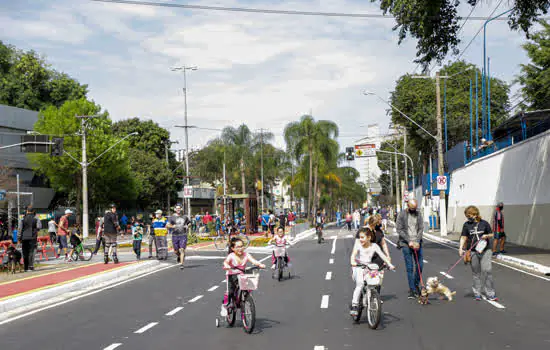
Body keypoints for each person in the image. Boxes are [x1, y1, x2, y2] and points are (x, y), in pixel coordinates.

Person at [349, 228, 395, 316]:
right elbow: (353, 255)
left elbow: (383, 256)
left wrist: (389, 264)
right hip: (358, 267)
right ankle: (354, 305)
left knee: (373, 283)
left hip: (368, 267)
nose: (360, 239)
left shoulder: (374, 246)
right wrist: (353, 262)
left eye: (362, 237)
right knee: (360, 284)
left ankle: (369, 297)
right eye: (360, 237)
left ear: (369, 237)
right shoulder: (358, 244)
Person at [459, 205, 498, 301]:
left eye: (469, 215)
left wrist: (486, 236)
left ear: (475, 214)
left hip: (485, 250)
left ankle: (490, 293)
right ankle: (477, 293)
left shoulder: (484, 223)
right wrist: (460, 248)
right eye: (467, 216)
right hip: (472, 251)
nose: (468, 218)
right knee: (476, 273)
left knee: (487, 271)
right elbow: (464, 237)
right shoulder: (466, 225)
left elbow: (492, 234)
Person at [222, 237, 266, 310]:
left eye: (242, 246)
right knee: (230, 292)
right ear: (233, 248)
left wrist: (260, 264)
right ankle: (225, 306)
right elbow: (225, 262)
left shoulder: (246, 255)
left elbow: (253, 261)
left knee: (248, 286)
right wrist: (227, 266)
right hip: (231, 276)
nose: (240, 248)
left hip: (242, 275)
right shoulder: (231, 256)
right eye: (238, 247)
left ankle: (244, 300)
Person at [396, 199, 424, 299]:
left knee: (420, 265)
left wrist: (417, 241)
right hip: (405, 244)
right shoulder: (401, 214)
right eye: (412, 208)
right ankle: (412, 290)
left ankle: (416, 284)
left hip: (417, 243)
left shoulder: (418, 214)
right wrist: (409, 241)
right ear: (408, 206)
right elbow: (399, 229)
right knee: (410, 267)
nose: (414, 210)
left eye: (415, 208)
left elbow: (421, 228)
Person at [166, 203, 190, 269]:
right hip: (175, 236)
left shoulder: (185, 217)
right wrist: (172, 226)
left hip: (183, 235)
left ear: (181, 209)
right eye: (177, 208)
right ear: (175, 209)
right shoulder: (172, 217)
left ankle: (181, 264)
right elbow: (167, 225)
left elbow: (189, 223)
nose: (178, 209)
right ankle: (179, 256)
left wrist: (188, 226)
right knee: (176, 251)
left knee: (182, 250)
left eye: (179, 208)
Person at [19, 206, 41, 271]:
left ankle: (25, 267)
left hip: (24, 237)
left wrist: (19, 237)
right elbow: (39, 227)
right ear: (33, 211)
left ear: (27, 211)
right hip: (33, 236)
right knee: (32, 251)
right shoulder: (36, 218)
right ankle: (31, 266)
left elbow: (20, 229)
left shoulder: (22, 218)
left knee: (25, 252)